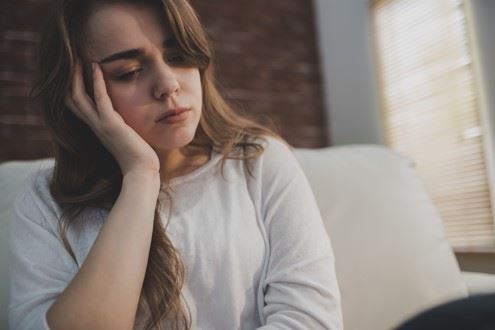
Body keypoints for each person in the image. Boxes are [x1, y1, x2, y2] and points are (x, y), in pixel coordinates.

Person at [8, 0, 343, 329]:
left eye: (179, 56)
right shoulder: (42, 201)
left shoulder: (260, 161)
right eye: (130, 72)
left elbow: (312, 320)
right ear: (77, 91)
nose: (169, 85)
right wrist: (140, 177)